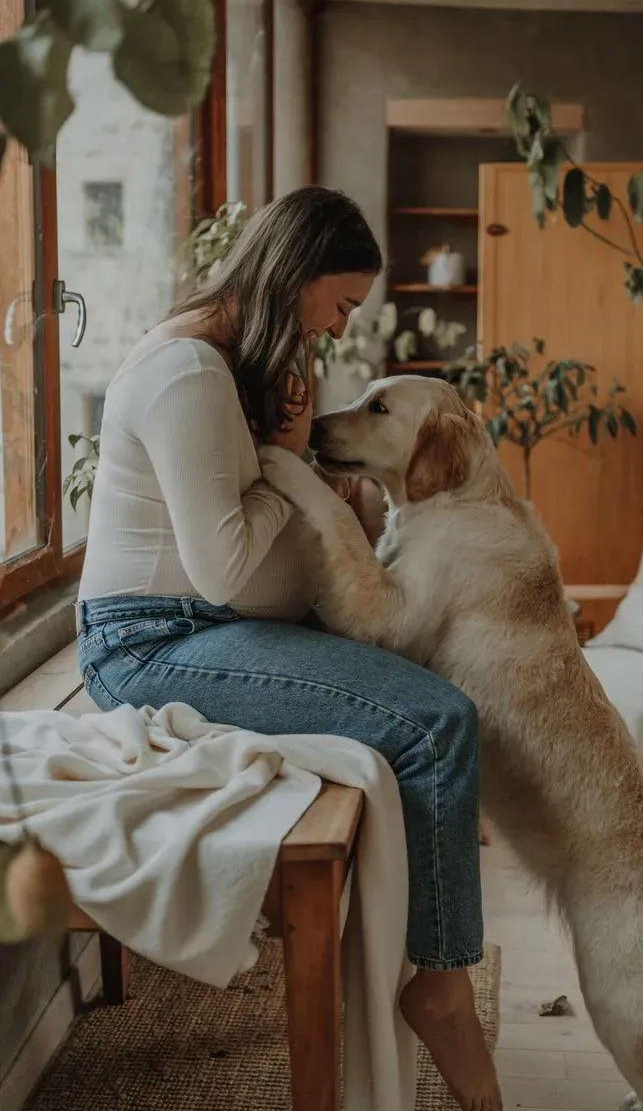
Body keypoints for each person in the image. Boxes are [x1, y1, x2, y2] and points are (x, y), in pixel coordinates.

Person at [75, 186, 502, 1111]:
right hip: (149, 647)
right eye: (340, 304)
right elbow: (225, 568)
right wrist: (294, 462)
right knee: (438, 725)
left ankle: (418, 941)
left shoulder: (232, 360)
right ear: (294, 275)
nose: (341, 327)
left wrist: (298, 472)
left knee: (425, 681)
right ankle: (441, 977)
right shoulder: (190, 373)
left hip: (208, 629)